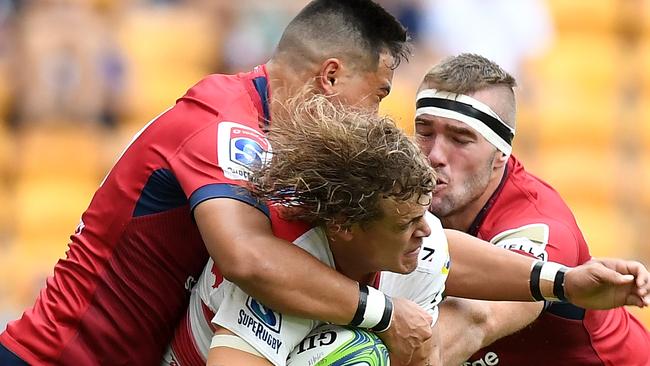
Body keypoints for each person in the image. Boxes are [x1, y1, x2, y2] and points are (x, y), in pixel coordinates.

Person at [0, 1, 433, 364]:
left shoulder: (283, 139)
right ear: (331, 75)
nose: (374, 117)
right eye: (377, 95)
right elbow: (246, 257)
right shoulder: (226, 121)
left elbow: (420, 243)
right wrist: (383, 314)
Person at [163, 97, 650, 366]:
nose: (426, 233)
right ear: (344, 225)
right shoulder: (289, 269)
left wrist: (563, 281)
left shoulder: (418, 245)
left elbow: (446, 258)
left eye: (424, 217)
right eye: (406, 223)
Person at [413, 53, 650, 365]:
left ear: (501, 153)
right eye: (425, 132)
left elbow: (476, 320)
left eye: (460, 139)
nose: (435, 155)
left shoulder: (541, 227)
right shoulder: (400, 191)